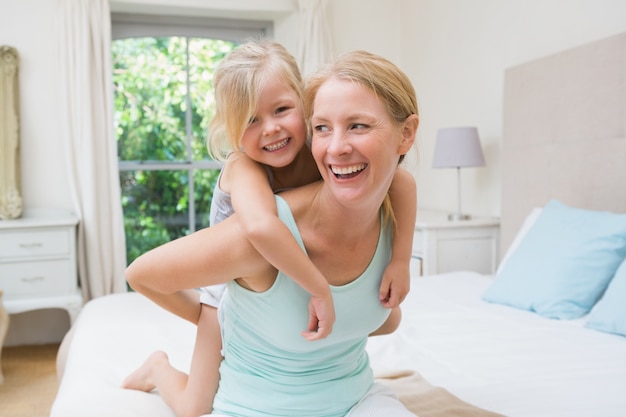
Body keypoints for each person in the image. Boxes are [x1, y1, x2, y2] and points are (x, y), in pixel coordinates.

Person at [124, 48, 419, 417]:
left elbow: (402, 181)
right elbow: (262, 227)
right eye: (250, 120)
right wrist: (312, 289)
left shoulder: (322, 147)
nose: (271, 129)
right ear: (232, 130)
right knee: (193, 407)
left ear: (302, 105)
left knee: (388, 316)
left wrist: (401, 260)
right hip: (229, 285)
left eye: (282, 110)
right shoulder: (245, 168)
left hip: (307, 310)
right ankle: (158, 367)